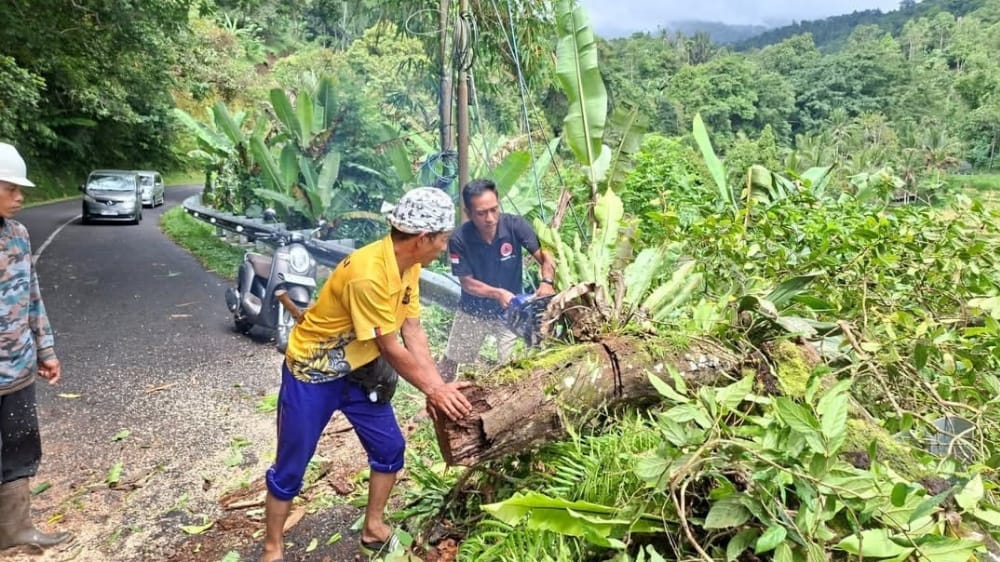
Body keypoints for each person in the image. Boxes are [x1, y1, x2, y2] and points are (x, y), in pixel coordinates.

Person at [261, 187, 473, 562]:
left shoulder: (409, 265)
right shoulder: (368, 274)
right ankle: (272, 548)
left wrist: (436, 386)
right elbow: (391, 346)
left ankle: (373, 527)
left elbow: (413, 330)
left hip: (360, 372)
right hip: (313, 372)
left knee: (390, 448)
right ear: (423, 238)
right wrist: (434, 391)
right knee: (292, 463)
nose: (444, 247)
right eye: (442, 239)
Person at [0, 142, 72, 551]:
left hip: (19, 369)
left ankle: (15, 532)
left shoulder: (19, 236)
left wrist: (46, 350)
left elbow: (32, 296)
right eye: (11, 188)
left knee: (20, 448)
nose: (21, 196)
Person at [438, 179, 556, 381]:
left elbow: (547, 256)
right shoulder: (459, 238)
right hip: (472, 310)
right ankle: (437, 396)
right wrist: (496, 293)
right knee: (453, 360)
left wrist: (547, 281)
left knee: (514, 366)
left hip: (512, 312)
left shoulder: (515, 225)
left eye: (494, 210)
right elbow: (467, 282)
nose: (490, 218)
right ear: (468, 213)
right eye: (481, 213)